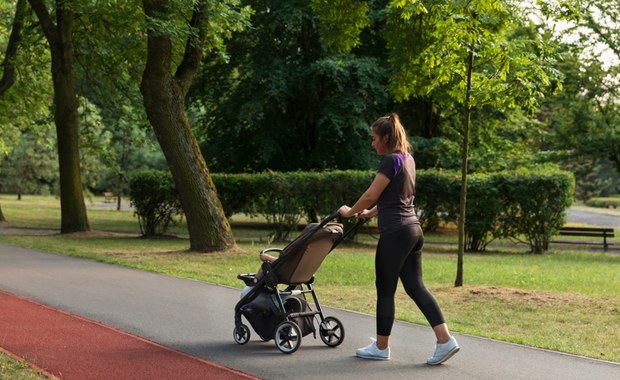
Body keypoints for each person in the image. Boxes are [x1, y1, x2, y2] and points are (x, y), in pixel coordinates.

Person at [338, 113, 459, 365]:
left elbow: (372, 194)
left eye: (374, 138)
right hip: (413, 230)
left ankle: (381, 348)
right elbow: (395, 197)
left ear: (385, 137)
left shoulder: (389, 160)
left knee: (385, 290)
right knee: (415, 287)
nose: (372, 144)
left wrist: (349, 212)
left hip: (395, 233)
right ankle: (445, 340)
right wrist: (369, 214)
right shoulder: (408, 159)